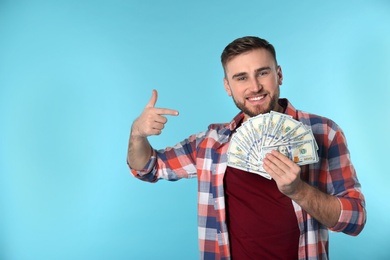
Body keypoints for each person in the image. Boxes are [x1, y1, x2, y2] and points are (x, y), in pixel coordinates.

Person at [127, 36, 366, 259]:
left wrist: (298, 190)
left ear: (279, 74)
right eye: (241, 77)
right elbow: (148, 167)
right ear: (227, 86)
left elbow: (355, 218)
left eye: (262, 73)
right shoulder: (210, 143)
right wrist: (137, 134)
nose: (254, 87)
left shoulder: (324, 132)